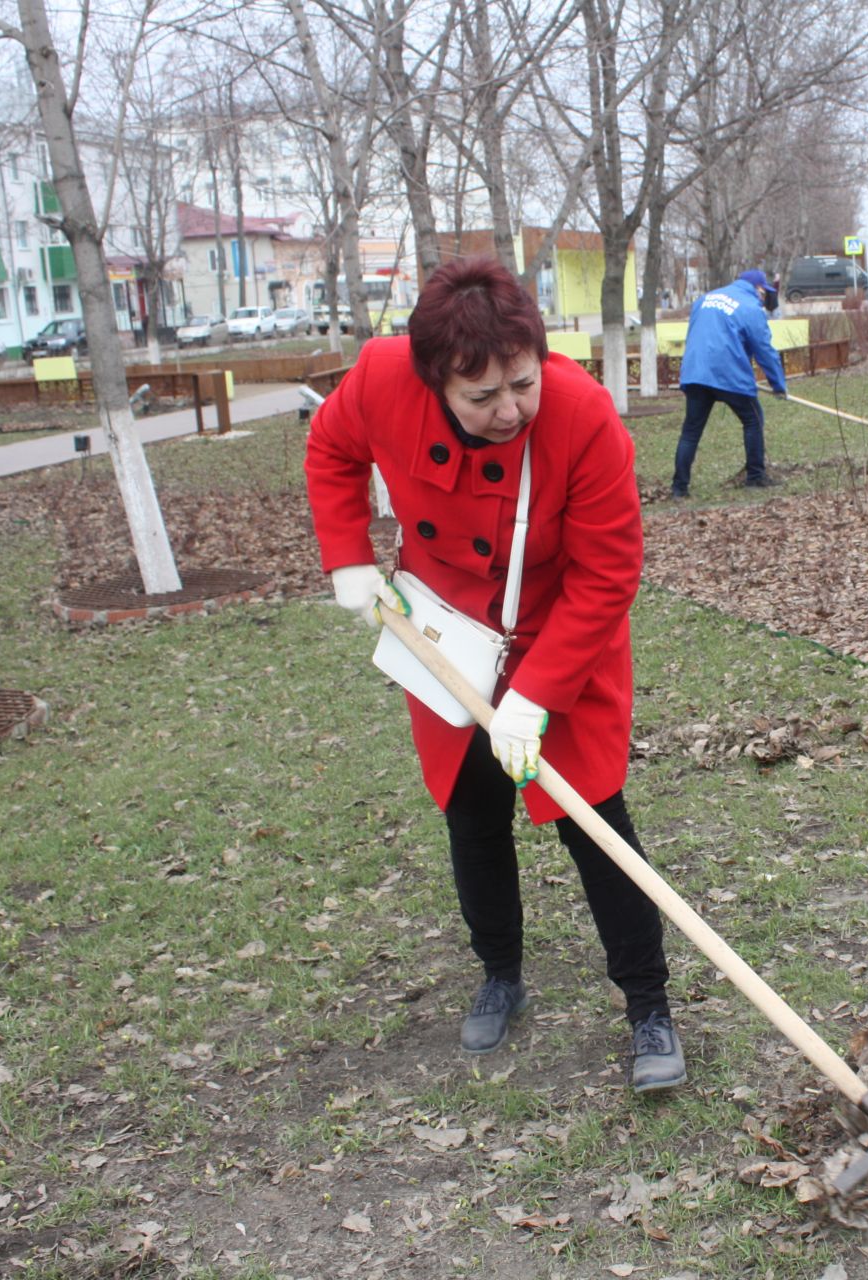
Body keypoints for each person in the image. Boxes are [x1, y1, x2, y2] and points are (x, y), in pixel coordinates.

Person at [304, 257, 684, 1092]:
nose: (510, 409)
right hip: (444, 641)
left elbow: (608, 575)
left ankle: (648, 1005)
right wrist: (348, 559)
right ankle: (500, 973)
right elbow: (330, 449)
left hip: (559, 639)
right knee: (472, 812)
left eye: (522, 383)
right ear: (434, 378)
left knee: (596, 823)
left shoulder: (584, 419)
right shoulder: (377, 380)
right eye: (483, 397)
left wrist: (536, 699)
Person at [670, 269, 787, 497]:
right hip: (729, 374)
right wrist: (778, 384)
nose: (764, 300)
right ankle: (755, 476)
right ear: (759, 289)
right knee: (753, 420)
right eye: (765, 294)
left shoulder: (705, 299)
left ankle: (679, 488)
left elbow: (702, 334)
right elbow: (764, 349)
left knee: (691, 431)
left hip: (696, 373)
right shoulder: (750, 307)